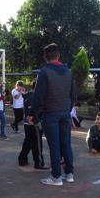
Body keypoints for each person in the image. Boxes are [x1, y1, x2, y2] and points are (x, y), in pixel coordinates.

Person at [29, 43, 75, 186]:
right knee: (66, 144)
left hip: (51, 114)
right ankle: (69, 174)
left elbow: (38, 97)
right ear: (58, 56)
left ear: (45, 57)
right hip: (65, 113)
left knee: (54, 146)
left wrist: (33, 114)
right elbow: (73, 95)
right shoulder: (68, 72)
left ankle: (56, 177)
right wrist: (68, 109)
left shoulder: (44, 72)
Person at [18, 82, 47, 169]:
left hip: (29, 123)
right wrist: (33, 120)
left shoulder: (29, 96)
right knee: (37, 144)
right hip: (34, 123)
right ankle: (38, 163)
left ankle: (22, 159)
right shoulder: (34, 97)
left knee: (28, 142)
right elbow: (31, 111)